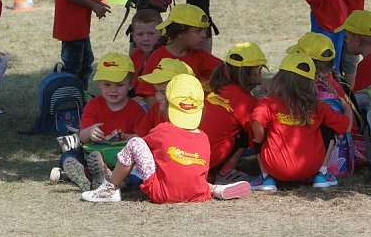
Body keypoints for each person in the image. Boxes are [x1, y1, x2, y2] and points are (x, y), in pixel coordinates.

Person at [82, 74, 251, 203]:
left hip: (162, 193)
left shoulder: (162, 130)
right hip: (196, 193)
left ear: (169, 104)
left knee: (135, 144)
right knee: (191, 176)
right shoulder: (204, 138)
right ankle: (215, 189)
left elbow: (139, 149)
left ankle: (109, 188)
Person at [249, 52, 352, 191]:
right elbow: (346, 127)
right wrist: (347, 106)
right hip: (310, 168)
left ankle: (266, 178)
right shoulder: (317, 106)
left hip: (275, 168)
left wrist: (260, 138)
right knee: (328, 128)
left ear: (280, 78)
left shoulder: (268, 103)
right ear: (310, 83)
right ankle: (321, 175)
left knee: (258, 133)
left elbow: (256, 121)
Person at [57, 53, 148, 191]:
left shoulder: (136, 110)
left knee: (139, 165)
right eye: (107, 84)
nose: (113, 89)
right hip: (95, 153)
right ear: (99, 83)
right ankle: (88, 175)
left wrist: (126, 136)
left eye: (119, 85)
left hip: (122, 159)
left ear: (130, 85)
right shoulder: (93, 105)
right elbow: (82, 137)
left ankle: (115, 179)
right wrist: (90, 132)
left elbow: (143, 140)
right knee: (68, 156)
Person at [199, 42, 264, 183]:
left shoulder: (217, 88)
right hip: (211, 156)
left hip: (196, 154)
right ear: (256, 70)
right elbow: (258, 136)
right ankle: (225, 172)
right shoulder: (246, 102)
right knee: (249, 130)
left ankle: (215, 171)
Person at [137, 5, 222, 107]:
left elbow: (225, 71)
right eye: (198, 31)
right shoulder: (158, 57)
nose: (204, 35)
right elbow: (150, 96)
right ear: (180, 33)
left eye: (204, 30)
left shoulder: (199, 55)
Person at [138, 57, 193, 131]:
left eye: (163, 93)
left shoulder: (193, 115)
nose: (158, 97)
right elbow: (140, 135)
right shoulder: (157, 107)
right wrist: (125, 136)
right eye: (156, 90)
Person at [128, 9, 163, 98]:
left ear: (162, 33)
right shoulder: (134, 58)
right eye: (140, 34)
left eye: (151, 33)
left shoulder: (165, 57)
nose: (146, 38)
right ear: (134, 37)